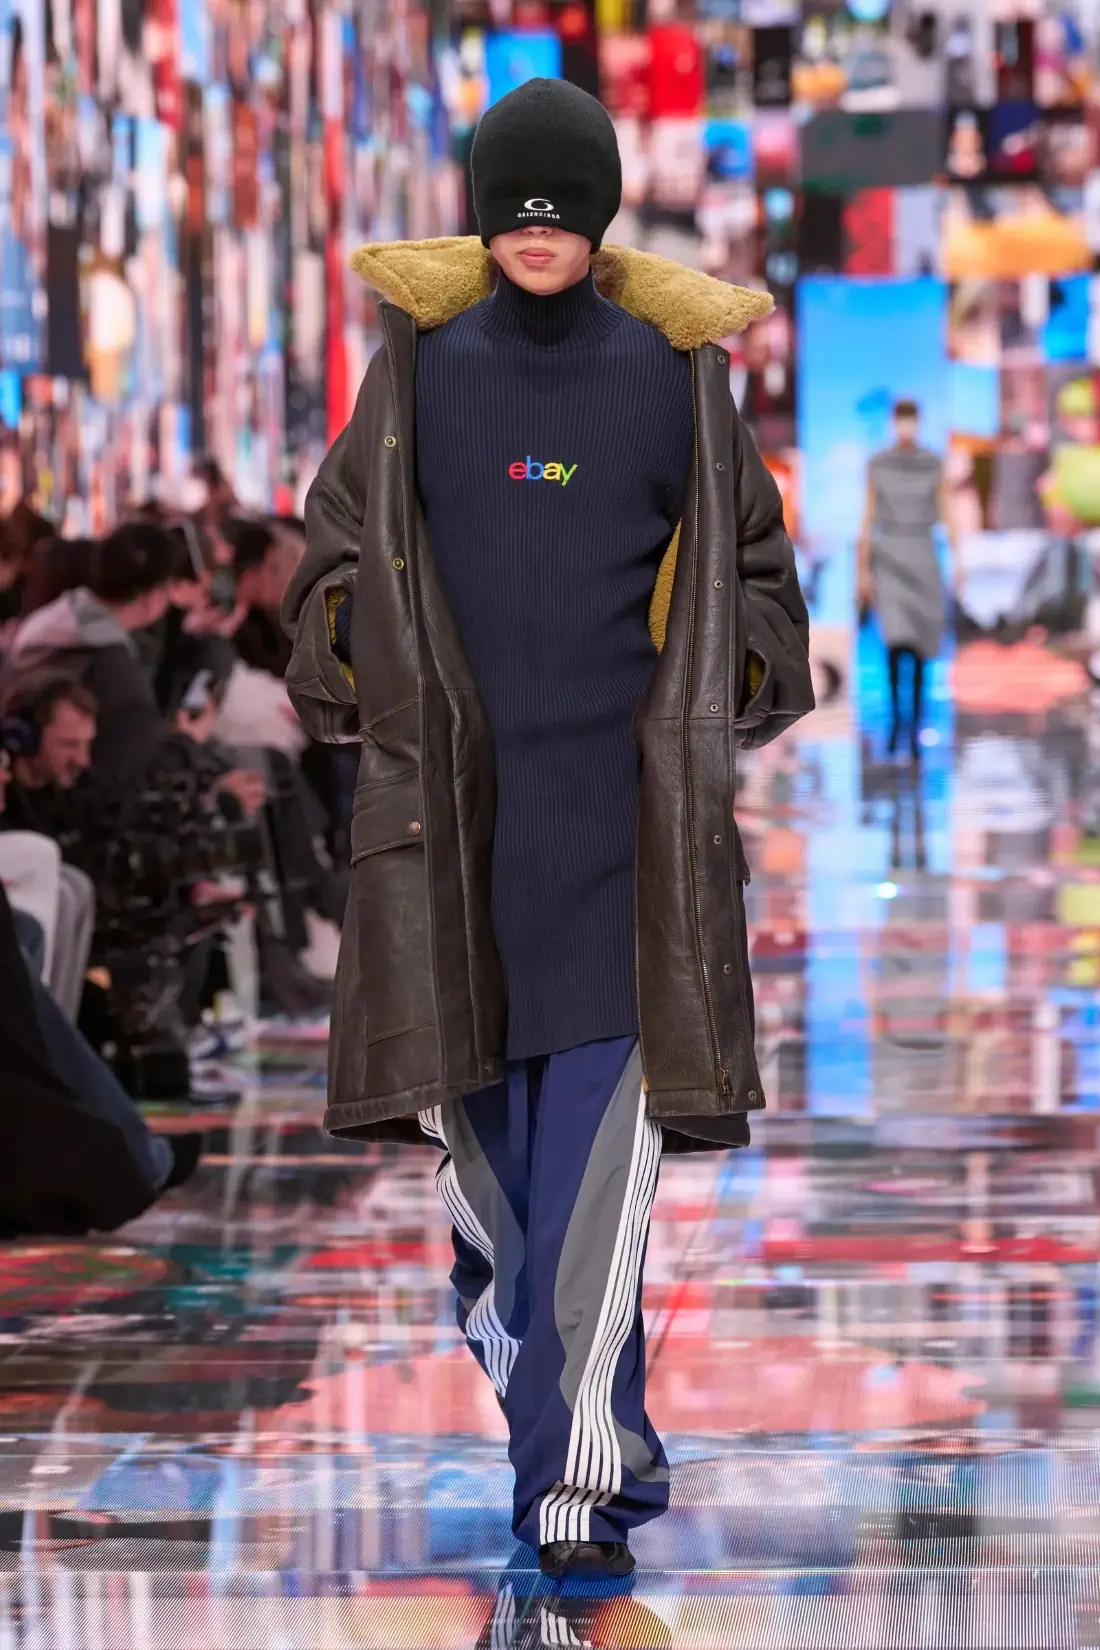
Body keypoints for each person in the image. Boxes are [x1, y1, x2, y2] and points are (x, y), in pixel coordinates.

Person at [283, 78, 813, 1579]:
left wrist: (732, 670)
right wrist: (353, 643)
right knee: (496, 1227)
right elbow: (327, 570)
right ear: (478, 212)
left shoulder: (672, 375)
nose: (537, 229)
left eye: (564, 204)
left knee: (592, 1220)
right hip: (446, 863)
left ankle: (577, 1498)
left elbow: (762, 586)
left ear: (600, 214)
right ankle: (576, 1439)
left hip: (626, 864)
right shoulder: (418, 372)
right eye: (514, 204)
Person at [857, 398, 956, 763]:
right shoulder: (878, 464)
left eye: (911, 419)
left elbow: (947, 509)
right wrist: (862, 569)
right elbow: (867, 517)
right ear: (893, 422)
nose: (906, 426)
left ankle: (914, 727)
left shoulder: (932, 463)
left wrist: (959, 558)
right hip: (890, 555)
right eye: (901, 419)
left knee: (921, 643)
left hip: (923, 554)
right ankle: (896, 724)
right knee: (894, 639)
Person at [0, 675, 98, 1018]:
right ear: (25, 738)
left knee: (77, 885)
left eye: (87, 744)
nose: (83, 759)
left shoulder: (72, 794)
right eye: (70, 745)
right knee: (65, 889)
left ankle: (58, 1024)